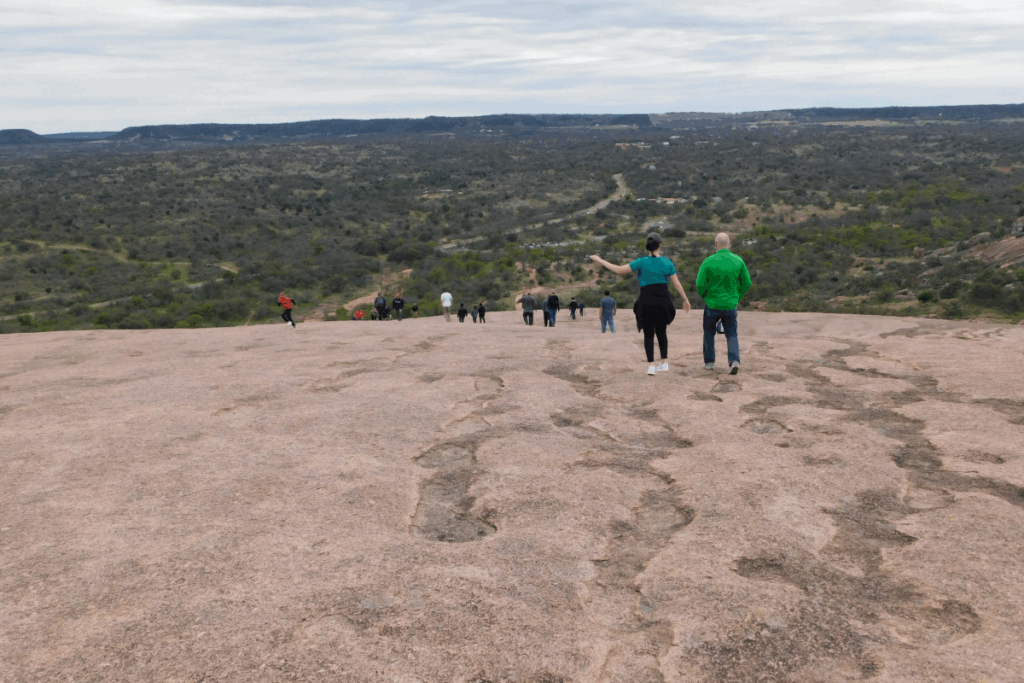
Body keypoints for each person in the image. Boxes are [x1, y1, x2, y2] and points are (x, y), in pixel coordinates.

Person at [590, 232, 691, 375]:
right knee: (662, 332)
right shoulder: (667, 262)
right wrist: (685, 299)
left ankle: (651, 365)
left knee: (648, 333)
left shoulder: (641, 262)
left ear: (648, 247)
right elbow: (677, 284)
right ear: (660, 245)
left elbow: (619, 270)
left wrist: (600, 260)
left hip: (646, 300)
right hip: (663, 300)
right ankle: (664, 363)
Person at [696, 232, 752, 374]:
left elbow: (699, 284)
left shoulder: (708, 261)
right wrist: (737, 296)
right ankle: (734, 361)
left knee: (709, 332)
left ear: (716, 244)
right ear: (729, 244)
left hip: (712, 304)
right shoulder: (738, 261)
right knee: (731, 333)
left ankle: (709, 363)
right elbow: (747, 282)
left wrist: (706, 297)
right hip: (730, 305)